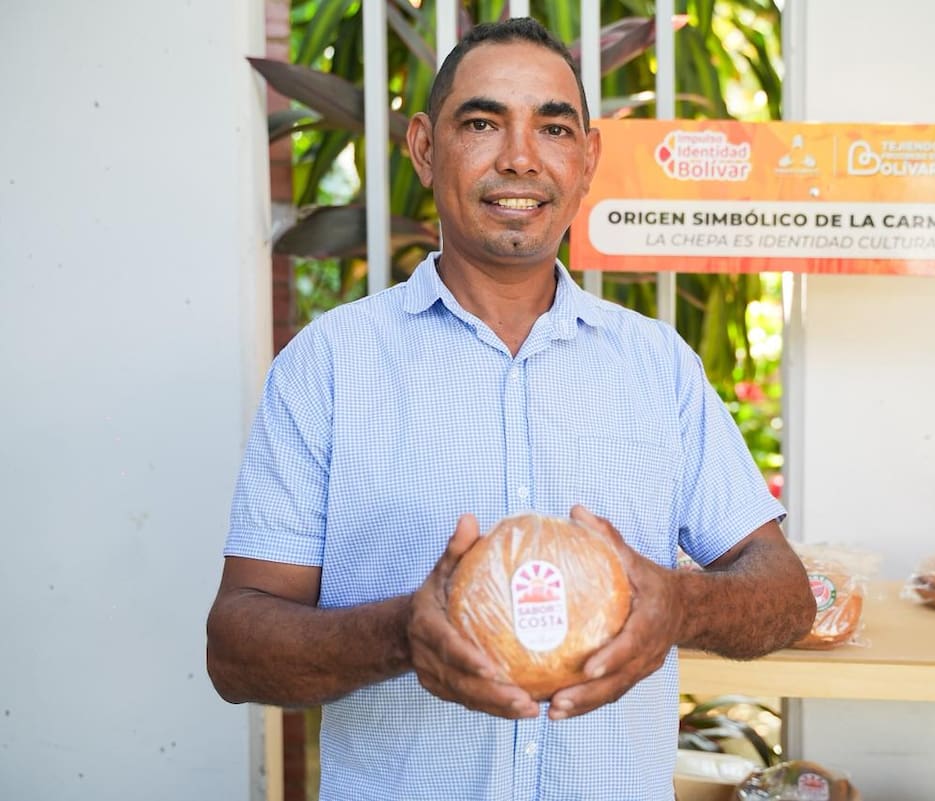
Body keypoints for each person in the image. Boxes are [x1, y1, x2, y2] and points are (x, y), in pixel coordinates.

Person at [206, 16, 815, 801]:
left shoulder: (657, 366)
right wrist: (401, 636)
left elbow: (785, 592)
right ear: (426, 148)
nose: (520, 157)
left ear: (587, 159)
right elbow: (236, 648)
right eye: (484, 122)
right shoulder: (329, 367)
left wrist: (681, 603)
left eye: (553, 128)